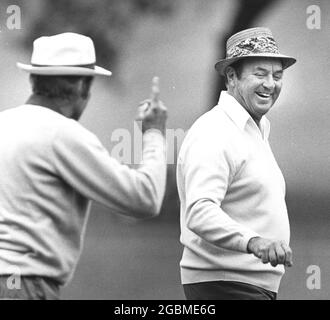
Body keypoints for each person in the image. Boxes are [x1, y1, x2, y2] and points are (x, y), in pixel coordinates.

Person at [0, 32, 167, 299]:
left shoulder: (4, 122)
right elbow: (144, 199)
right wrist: (154, 133)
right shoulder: (64, 134)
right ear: (83, 87)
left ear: (33, 79)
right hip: (22, 286)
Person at [177, 27, 296, 300]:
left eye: (277, 76)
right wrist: (255, 242)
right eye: (260, 73)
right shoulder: (215, 131)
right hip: (225, 285)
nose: (270, 84)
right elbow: (200, 211)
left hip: (246, 286)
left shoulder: (255, 129)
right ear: (231, 77)